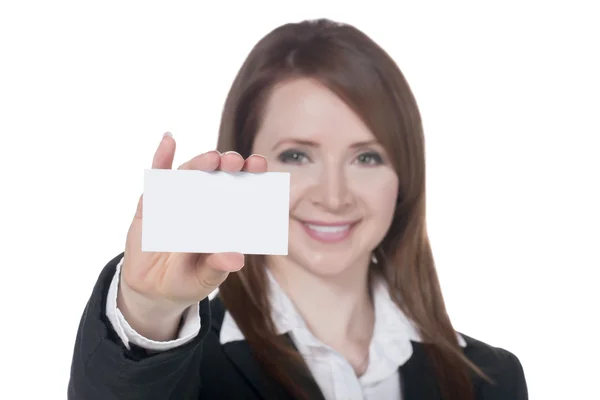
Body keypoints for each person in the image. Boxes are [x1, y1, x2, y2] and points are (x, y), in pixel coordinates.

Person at [68, 18, 528, 400]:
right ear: (246, 166)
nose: (333, 195)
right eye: (296, 155)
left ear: (403, 177)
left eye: (366, 157)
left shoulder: (490, 380)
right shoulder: (182, 367)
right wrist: (148, 311)